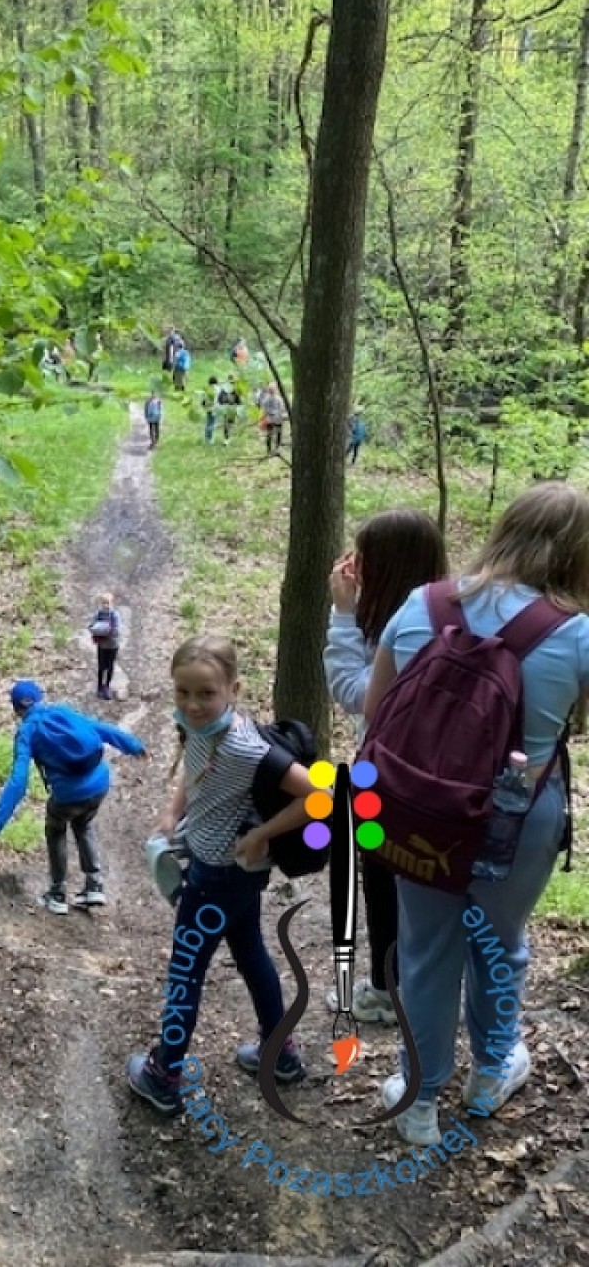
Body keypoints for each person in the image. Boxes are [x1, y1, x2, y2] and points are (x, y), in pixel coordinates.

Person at [362, 482, 589, 1146]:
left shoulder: (422, 603)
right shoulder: (576, 633)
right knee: (499, 942)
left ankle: (418, 1100)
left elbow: (377, 713)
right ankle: (490, 1074)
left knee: (426, 948)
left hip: (418, 809)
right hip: (519, 819)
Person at [126, 636, 314, 1115]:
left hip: (217, 881)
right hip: (233, 879)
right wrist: (173, 813)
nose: (193, 704)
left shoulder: (246, 748)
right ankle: (280, 1054)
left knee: (185, 974)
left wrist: (262, 834)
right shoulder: (202, 726)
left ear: (233, 689)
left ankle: (164, 1075)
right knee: (251, 955)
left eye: (206, 693)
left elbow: (319, 796)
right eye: (183, 692)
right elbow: (197, 771)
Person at [323, 509, 448, 1024]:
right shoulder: (447, 614)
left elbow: (355, 693)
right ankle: (412, 984)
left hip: (391, 775)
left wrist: (341, 615)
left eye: (365, 556)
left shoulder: (405, 626)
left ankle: (386, 990)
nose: (355, 564)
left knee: (381, 875)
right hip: (444, 774)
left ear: (389, 566)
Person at [0, 680, 147, 914]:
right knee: (83, 823)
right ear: (40, 698)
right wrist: (134, 746)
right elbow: (100, 728)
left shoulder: (26, 732)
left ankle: (57, 893)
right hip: (99, 784)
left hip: (67, 797)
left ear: (17, 710)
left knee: (56, 829)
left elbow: (18, 782)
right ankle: (94, 885)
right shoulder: (63, 711)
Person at [89, 592, 121, 699]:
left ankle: (107, 686)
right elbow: (91, 626)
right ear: (101, 603)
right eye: (104, 603)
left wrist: (103, 630)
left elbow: (116, 631)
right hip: (102, 646)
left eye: (108, 603)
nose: (106, 605)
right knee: (101, 666)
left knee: (110, 666)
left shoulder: (115, 615)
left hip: (113, 645)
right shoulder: (98, 614)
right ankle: (99, 687)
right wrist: (99, 629)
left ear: (112, 603)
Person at [260, 382, 286, 456]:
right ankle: (271, 450)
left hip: (275, 419)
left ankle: (274, 450)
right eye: (271, 389)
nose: (272, 390)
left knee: (276, 434)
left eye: (272, 389)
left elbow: (282, 408)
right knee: (271, 434)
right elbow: (282, 408)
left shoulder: (276, 398)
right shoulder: (268, 399)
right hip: (272, 419)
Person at [203, 376, 219, 444]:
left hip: (208, 408)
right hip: (215, 408)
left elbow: (204, 399)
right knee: (212, 423)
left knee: (208, 422)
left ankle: (206, 438)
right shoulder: (217, 389)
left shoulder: (208, 388)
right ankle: (210, 438)